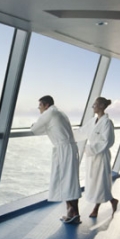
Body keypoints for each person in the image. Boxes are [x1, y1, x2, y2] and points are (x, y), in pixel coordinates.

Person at [30, 95, 82, 223]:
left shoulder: (49, 113)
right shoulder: (60, 113)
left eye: (40, 105)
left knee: (66, 181)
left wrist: (33, 125)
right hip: (70, 148)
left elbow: (35, 129)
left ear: (46, 105)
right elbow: (49, 128)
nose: (39, 108)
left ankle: (72, 213)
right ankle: (74, 213)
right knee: (71, 181)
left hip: (64, 150)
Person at [81, 97, 119, 218]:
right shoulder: (93, 121)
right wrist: (68, 135)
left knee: (101, 182)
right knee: (94, 181)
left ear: (102, 106)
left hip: (101, 156)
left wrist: (89, 149)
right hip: (92, 157)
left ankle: (96, 208)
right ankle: (113, 200)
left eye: (95, 104)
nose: (93, 106)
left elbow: (107, 141)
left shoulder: (107, 122)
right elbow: (82, 131)